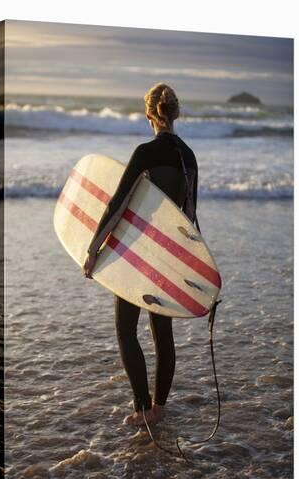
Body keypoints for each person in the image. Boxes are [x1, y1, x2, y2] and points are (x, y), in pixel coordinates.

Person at [82, 83, 199, 427]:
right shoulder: (189, 157)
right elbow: (188, 217)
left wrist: (93, 250)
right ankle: (159, 408)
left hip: (136, 255)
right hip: (169, 257)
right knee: (162, 333)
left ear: (149, 115)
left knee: (126, 329)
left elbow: (117, 205)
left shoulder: (145, 153)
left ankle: (141, 407)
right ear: (175, 114)